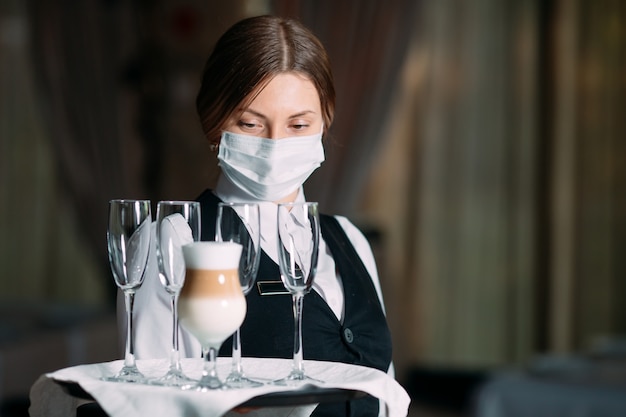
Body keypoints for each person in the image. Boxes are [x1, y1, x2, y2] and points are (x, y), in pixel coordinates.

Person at [130, 15, 394, 417]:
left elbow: (386, 392)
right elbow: (148, 407)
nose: (275, 144)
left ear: (326, 120)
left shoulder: (349, 240)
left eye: (298, 124)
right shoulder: (173, 240)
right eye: (251, 123)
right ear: (214, 124)